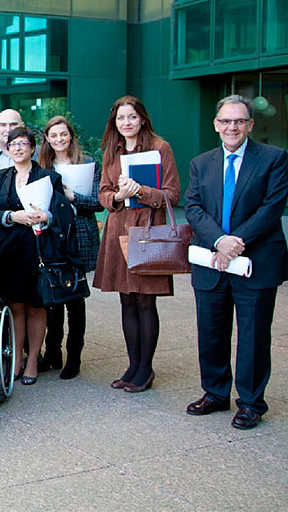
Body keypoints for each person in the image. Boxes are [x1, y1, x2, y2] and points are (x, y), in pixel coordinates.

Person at [184, 95, 288, 430]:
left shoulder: (273, 158)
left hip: (255, 262)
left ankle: (251, 403)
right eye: (226, 121)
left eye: (239, 121)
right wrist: (219, 241)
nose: (233, 127)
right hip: (212, 261)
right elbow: (193, 207)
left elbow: (272, 208)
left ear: (250, 125)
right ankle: (215, 393)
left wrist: (234, 243)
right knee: (211, 332)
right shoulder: (201, 163)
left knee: (253, 336)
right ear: (216, 125)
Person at [92, 95, 180, 393]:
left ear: (142, 118)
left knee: (145, 300)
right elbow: (103, 193)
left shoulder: (160, 147)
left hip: (147, 231)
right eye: (120, 118)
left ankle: (146, 368)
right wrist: (117, 196)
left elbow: (172, 194)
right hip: (118, 230)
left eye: (131, 117)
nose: (126, 123)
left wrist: (140, 191)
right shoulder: (111, 150)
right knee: (126, 300)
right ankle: (132, 365)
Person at [0, 127, 77, 386]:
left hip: (38, 249)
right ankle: (17, 359)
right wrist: (13, 216)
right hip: (8, 250)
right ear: (7, 149)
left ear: (33, 148)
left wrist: (47, 216)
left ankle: (33, 360)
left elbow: (63, 213)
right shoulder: (0, 177)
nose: (18, 148)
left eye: (23, 144)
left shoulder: (48, 177)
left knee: (36, 306)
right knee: (14, 305)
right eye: (13, 144)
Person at [38, 115, 103, 380]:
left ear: (71, 136)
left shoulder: (87, 163)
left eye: (63, 134)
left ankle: (74, 356)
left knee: (75, 298)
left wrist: (73, 196)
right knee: (53, 296)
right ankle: (53, 352)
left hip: (79, 234)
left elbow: (98, 202)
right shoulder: (42, 166)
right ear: (47, 139)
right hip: (52, 236)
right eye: (53, 135)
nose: (59, 139)